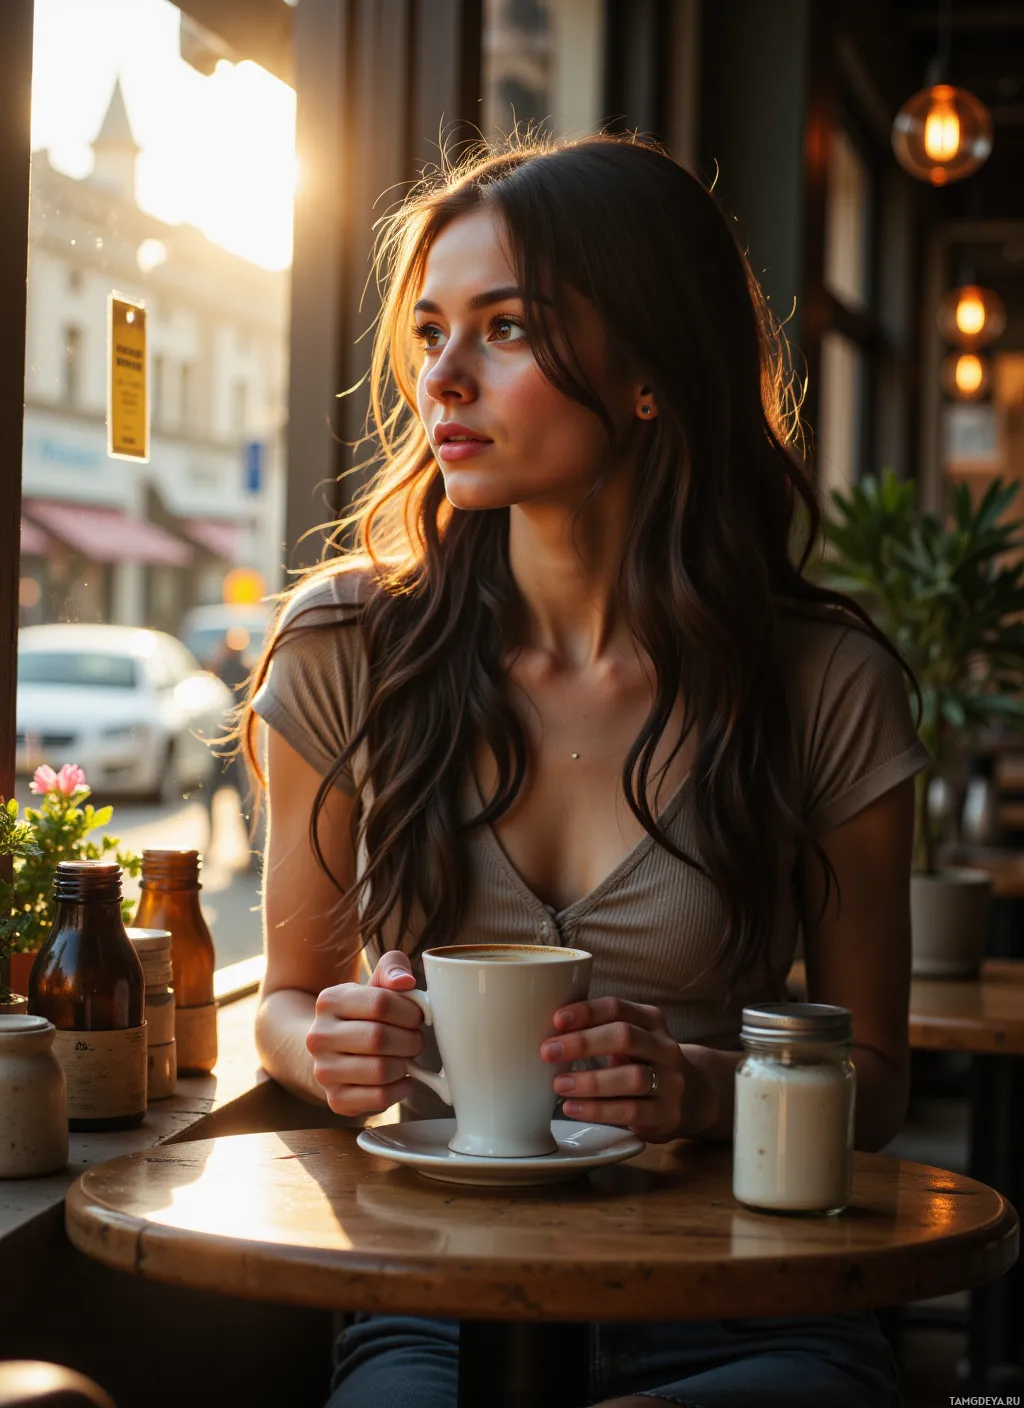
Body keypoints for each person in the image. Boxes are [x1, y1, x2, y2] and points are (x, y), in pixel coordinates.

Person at [243, 133, 928, 1408]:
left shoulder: (822, 681)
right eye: (432, 331)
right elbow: (287, 1001)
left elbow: (876, 1081)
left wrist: (704, 1087)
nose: (441, 378)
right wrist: (327, 1045)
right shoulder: (347, 649)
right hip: (436, 1301)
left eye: (504, 328)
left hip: (746, 1295)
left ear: (653, 371)